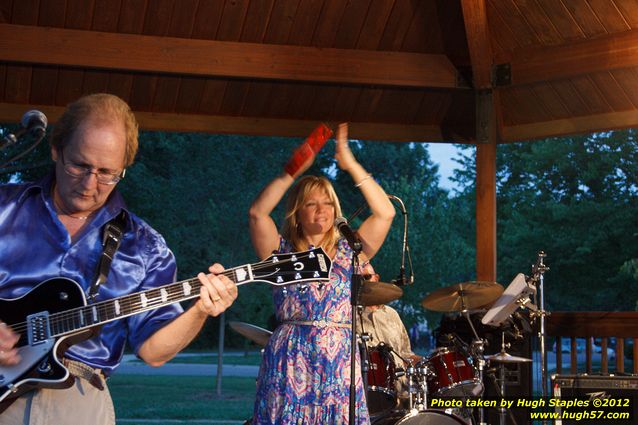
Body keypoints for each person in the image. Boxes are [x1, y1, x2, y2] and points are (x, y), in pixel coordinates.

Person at [0, 93, 238, 424]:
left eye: (107, 173)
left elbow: (153, 352)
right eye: (79, 165)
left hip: (79, 402)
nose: (89, 184)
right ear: (56, 149)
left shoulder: (144, 247)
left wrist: (200, 310)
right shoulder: (5, 208)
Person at [248, 123, 395, 424]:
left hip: (338, 361)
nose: (322, 209)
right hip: (290, 359)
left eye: (327, 202)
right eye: (312, 203)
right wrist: (292, 170)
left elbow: (385, 212)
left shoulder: (351, 251)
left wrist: (350, 163)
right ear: (297, 212)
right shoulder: (280, 253)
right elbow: (257, 214)